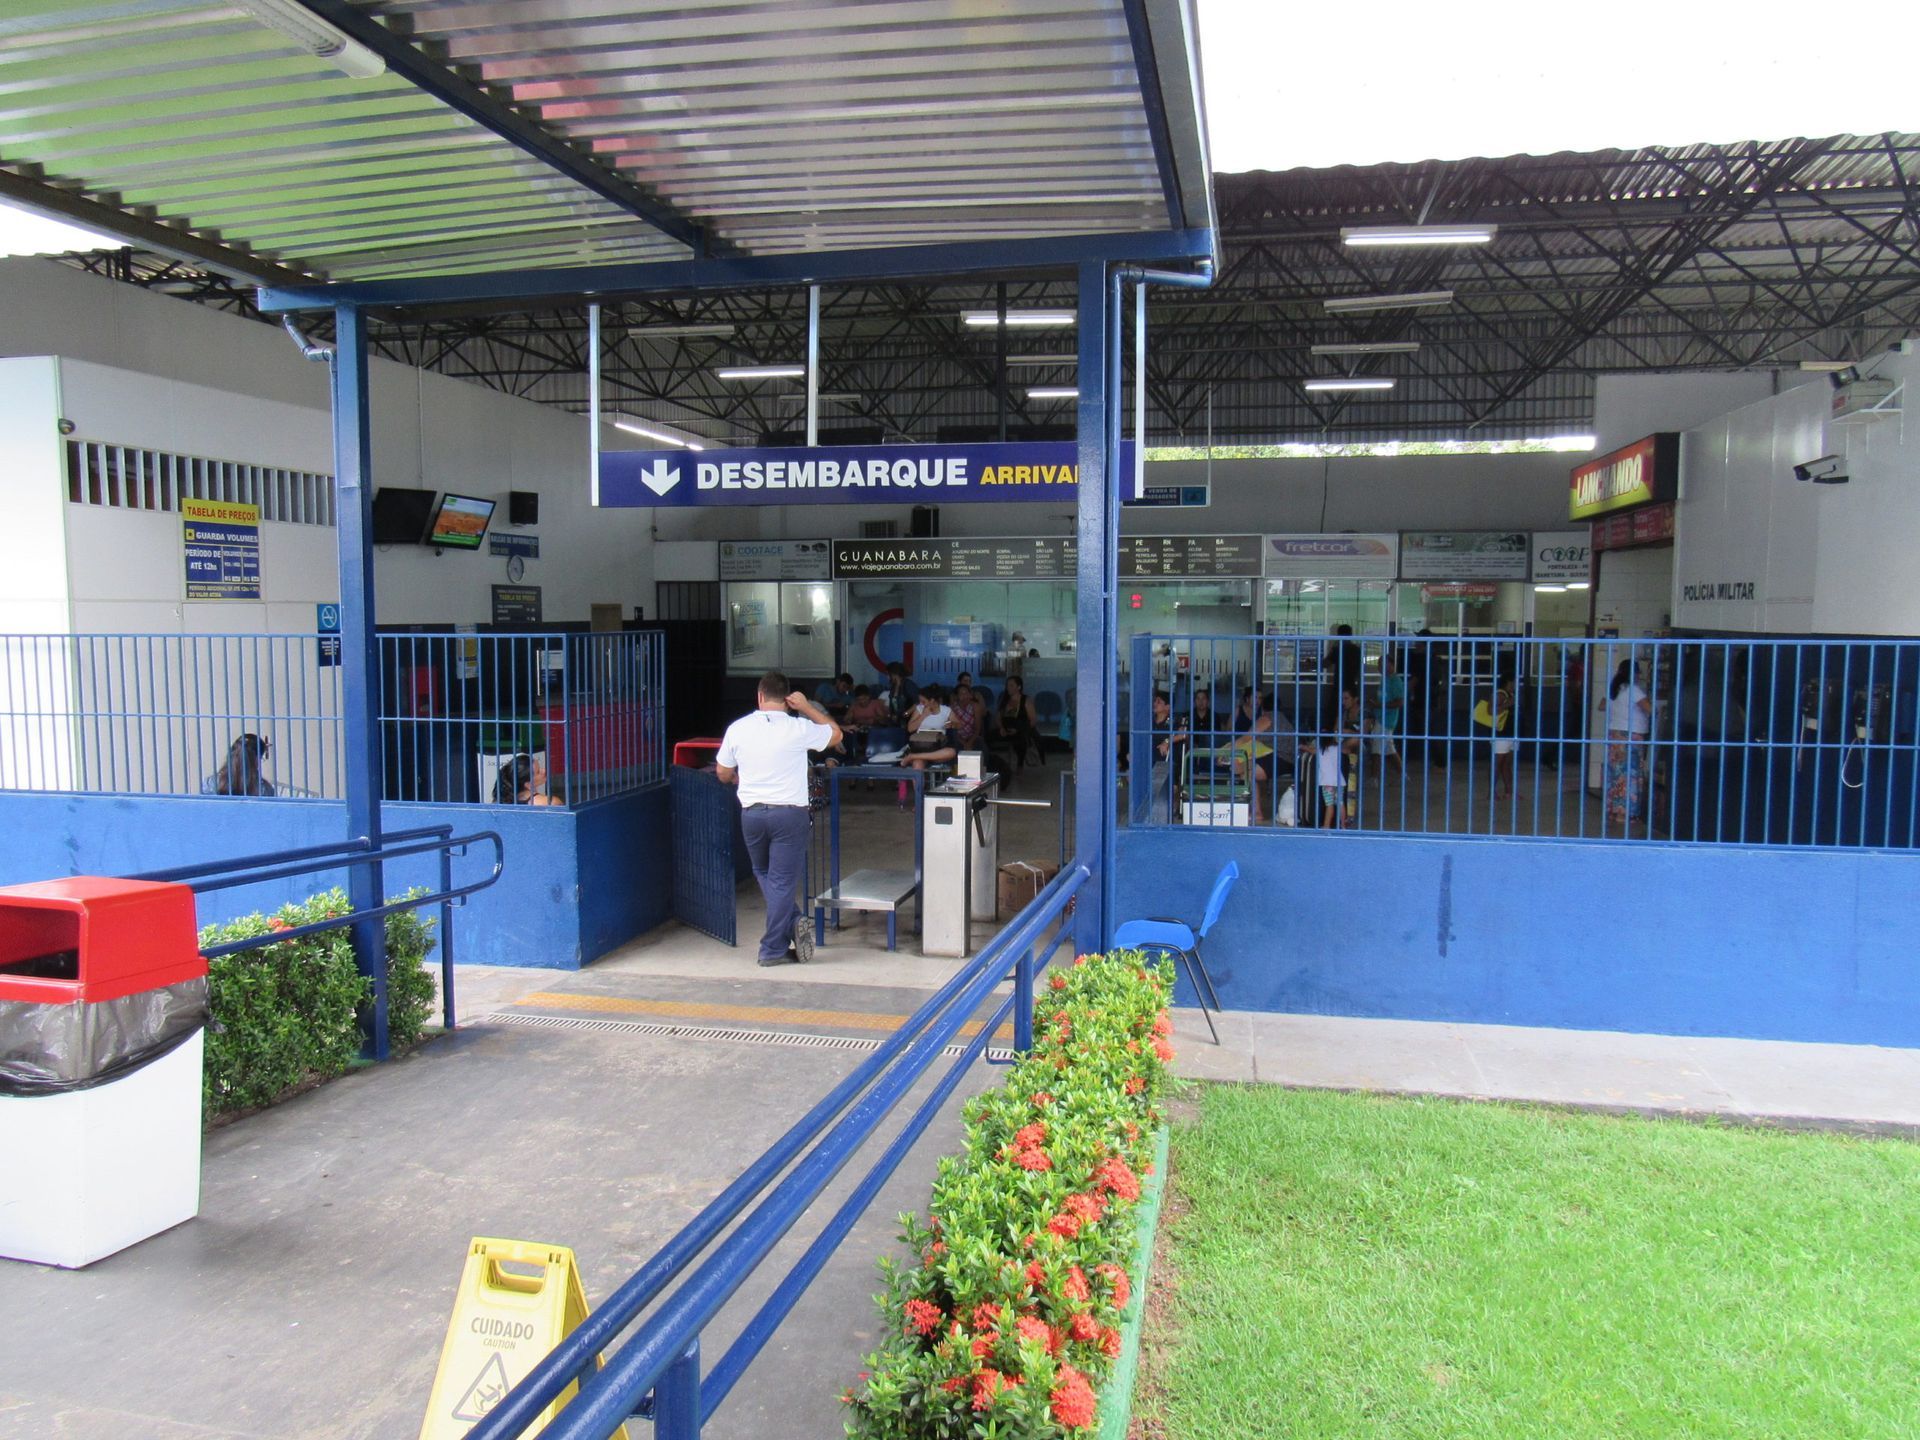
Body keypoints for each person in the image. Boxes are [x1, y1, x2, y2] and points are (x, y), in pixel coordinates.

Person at [715, 671, 841, 967]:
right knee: (782, 883)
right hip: (789, 816)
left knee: (763, 871)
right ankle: (772, 948)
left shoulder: (738, 728)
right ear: (788, 699)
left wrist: (735, 778)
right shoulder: (799, 728)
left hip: (752, 815)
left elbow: (722, 772)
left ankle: (791, 922)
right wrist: (807, 707)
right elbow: (836, 735)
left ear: (759, 696)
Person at [1604, 658, 1653, 830]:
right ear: (1635, 674)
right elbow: (1650, 709)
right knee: (1630, 775)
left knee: (1617, 774)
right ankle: (1625, 814)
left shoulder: (1615, 689)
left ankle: (1614, 810)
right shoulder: (1634, 690)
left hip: (1614, 735)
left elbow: (1602, 705)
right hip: (1632, 736)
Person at [1302, 730, 1361, 830]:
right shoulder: (1338, 748)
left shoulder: (1319, 750)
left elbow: (1309, 749)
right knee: (1340, 803)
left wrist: (1302, 746)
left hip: (1327, 783)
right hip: (1339, 781)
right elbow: (1349, 749)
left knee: (1329, 804)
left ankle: (1326, 825)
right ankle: (1343, 826)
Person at [1147, 690, 1186, 823]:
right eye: (1155, 701)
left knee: (1171, 783)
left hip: (1167, 761)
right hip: (1149, 759)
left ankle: (1171, 807)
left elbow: (1183, 734)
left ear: (1168, 707)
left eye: (1159, 702)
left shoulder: (1173, 720)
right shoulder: (1149, 720)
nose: (1155, 704)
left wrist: (1167, 741)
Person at [903, 686, 957, 774]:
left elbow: (959, 724)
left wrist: (952, 724)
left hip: (937, 748)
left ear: (932, 700)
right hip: (921, 745)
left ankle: (913, 756)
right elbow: (910, 729)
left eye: (923, 701)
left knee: (951, 752)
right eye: (920, 701)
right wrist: (923, 716)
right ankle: (917, 758)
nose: (921, 704)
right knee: (917, 764)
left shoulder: (946, 710)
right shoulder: (919, 709)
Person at [996, 675, 1040, 769]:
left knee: (1020, 739)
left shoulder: (1025, 700)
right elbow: (998, 717)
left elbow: (1033, 720)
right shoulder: (1004, 699)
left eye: (1011, 685)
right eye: (1007, 685)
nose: (1008, 688)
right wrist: (1001, 728)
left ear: (1019, 687)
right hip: (1005, 728)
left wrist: (1019, 729)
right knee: (989, 737)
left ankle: (1020, 765)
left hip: (1021, 729)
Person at [495, 753, 560, 806]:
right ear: (528, 784)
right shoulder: (551, 803)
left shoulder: (501, 804)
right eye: (538, 772)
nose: (544, 770)